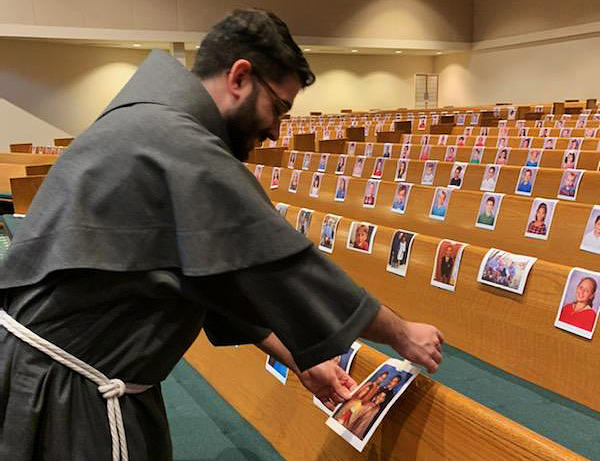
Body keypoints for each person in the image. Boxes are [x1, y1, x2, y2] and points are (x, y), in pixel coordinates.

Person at [0, 10, 444, 461]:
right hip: (70, 396)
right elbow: (284, 266)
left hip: (51, 374)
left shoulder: (147, 124)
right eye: (279, 107)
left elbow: (214, 277)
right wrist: (402, 332)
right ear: (240, 77)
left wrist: (299, 356)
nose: (276, 130)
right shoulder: (180, 142)